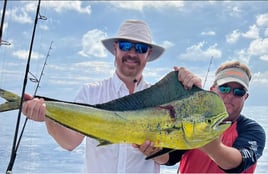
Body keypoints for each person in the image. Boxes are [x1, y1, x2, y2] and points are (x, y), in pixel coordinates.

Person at [22, 19, 202, 173]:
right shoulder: (91, 93)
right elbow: (69, 142)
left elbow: (168, 159)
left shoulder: (164, 99)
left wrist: (194, 91)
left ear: (148, 54)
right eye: (125, 46)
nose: (132, 53)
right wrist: (48, 117)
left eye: (140, 48)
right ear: (115, 49)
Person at [162, 61, 266, 173]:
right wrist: (151, 151)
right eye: (224, 88)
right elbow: (168, 158)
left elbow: (236, 163)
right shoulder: (192, 121)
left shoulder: (253, 130)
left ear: (245, 97)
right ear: (212, 90)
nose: (230, 95)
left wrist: (214, 149)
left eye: (239, 91)